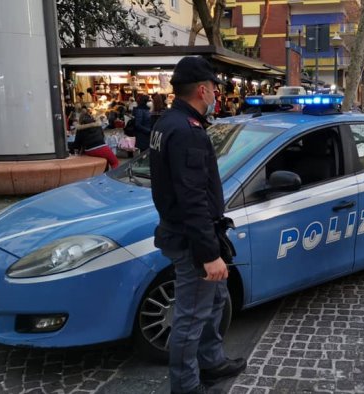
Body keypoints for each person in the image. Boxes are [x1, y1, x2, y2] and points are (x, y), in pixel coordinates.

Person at [149, 56, 246, 394]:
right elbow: (192, 199)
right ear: (203, 90)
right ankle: (187, 386)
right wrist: (208, 255)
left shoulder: (168, 122)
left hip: (191, 235)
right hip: (194, 243)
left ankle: (212, 361)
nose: (217, 94)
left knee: (216, 301)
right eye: (215, 89)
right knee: (190, 320)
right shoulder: (186, 131)